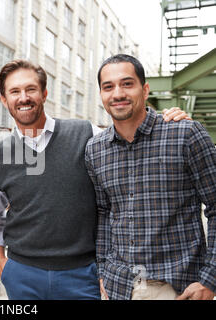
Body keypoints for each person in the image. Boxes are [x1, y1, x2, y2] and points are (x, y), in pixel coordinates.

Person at [0, 59, 191, 300]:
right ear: (4, 99)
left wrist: (166, 122)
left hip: (82, 275)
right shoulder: (0, 154)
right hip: (22, 275)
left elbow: (129, 142)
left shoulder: (85, 133)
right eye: (14, 91)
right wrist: (2, 264)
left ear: (44, 93)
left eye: (31, 89)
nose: (23, 97)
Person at [85, 54, 215, 300]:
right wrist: (102, 269)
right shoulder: (95, 149)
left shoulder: (185, 134)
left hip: (177, 287)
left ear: (145, 90)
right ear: (101, 94)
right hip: (119, 286)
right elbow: (104, 212)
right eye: (108, 87)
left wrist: (210, 279)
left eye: (127, 84)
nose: (118, 94)